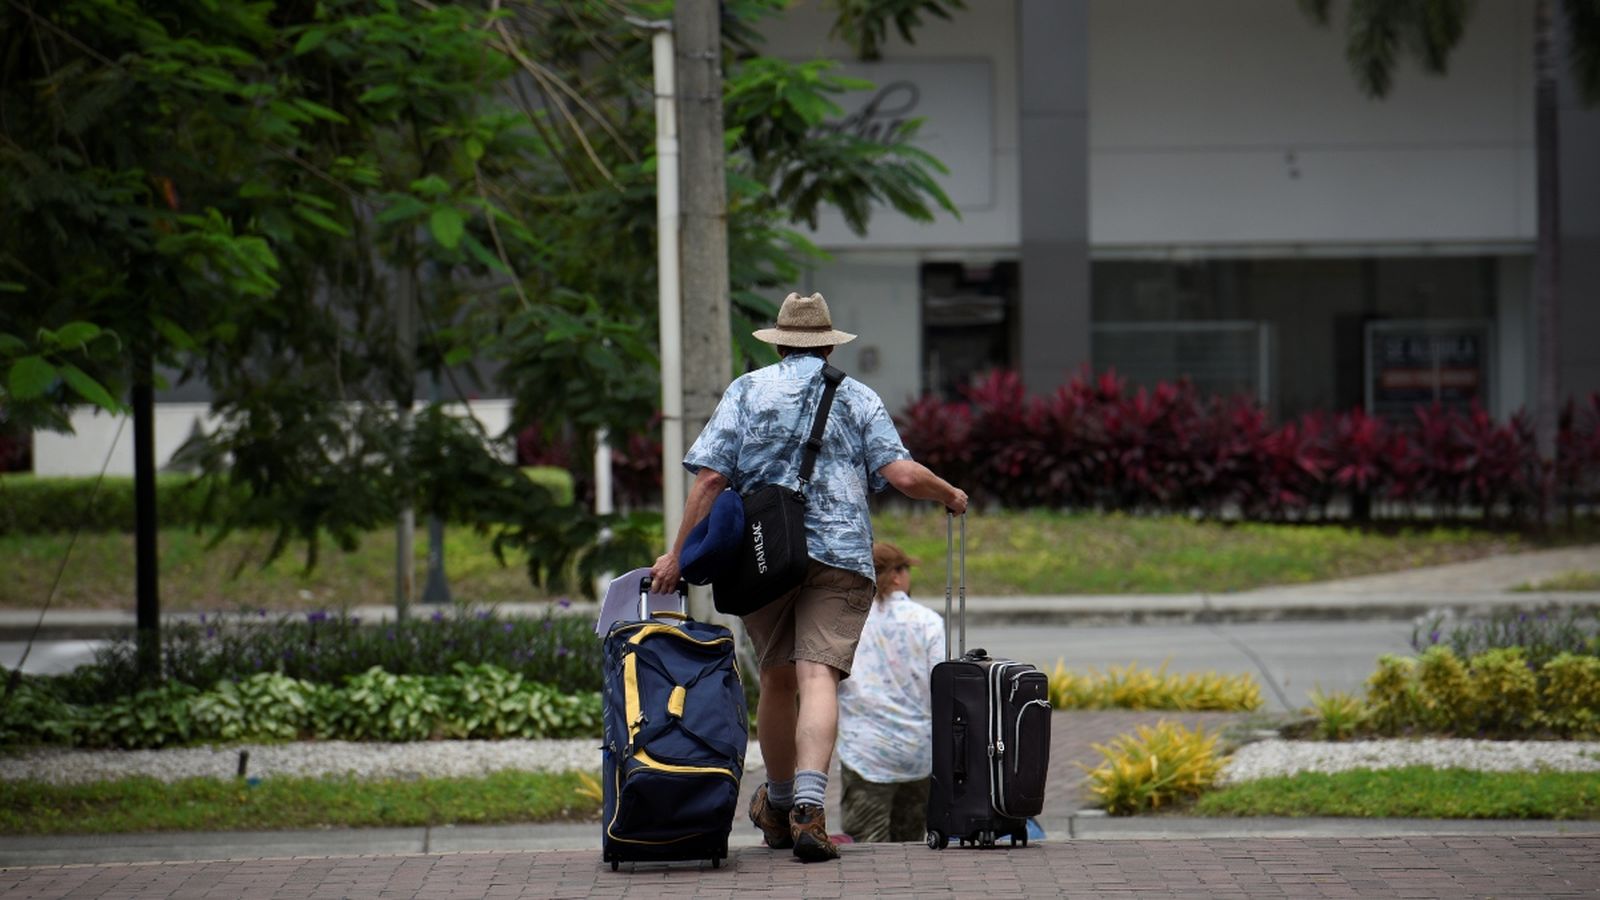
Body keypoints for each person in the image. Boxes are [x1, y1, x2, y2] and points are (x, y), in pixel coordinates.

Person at [650, 291, 967, 863]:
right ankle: (809, 808)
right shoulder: (856, 394)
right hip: (842, 557)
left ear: (778, 343)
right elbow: (900, 472)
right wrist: (950, 494)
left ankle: (775, 803)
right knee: (819, 677)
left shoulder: (746, 390)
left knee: (776, 680)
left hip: (763, 558)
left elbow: (708, 482)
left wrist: (676, 557)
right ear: (826, 343)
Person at [835, 541, 945, 843]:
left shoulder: (845, 620)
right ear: (896, 576)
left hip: (865, 752)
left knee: (866, 849)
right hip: (918, 751)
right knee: (910, 846)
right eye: (906, 569)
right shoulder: (929, 622)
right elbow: (941, 683)